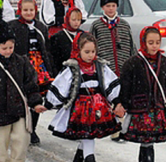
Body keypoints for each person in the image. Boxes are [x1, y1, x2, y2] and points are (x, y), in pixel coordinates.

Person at [0, 20, 47, 162]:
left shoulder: (21, 62)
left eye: (11, 47)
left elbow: (30, 84)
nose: (8, 51)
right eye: (4, 48)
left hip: (18, 109)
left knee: (22, 140)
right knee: (0, 146)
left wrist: (36, 103)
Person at [45, 32, 125, 162]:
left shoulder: (100, 66)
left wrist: (116, 101)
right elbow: (62, 85)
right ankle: (89, 159)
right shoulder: (73, 68)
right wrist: (49, 103)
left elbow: (110, 83)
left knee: (88, 136)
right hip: (80, 109)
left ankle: (81, 158)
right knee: (87, 136)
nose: (90, 55)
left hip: (98, 108)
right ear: (78, 50)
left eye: (93, 51)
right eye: (87, 51)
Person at [119, 26, 166, 162]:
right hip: (140, 109)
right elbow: (125, 84)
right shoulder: (133, 63)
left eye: (157, 42)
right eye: (151, 43)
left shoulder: (165, 63)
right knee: (146, 140)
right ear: (143, 42)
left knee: (149, 141)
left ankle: (146, 159)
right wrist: (123, 103)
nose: (154, 46)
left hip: (157, 108)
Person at [89, 0, 137, 142]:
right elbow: (91, 47)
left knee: (122, 97)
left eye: (113, 5)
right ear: (102, 7)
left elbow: (131, 46)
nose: (111, 9)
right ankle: (110, 125)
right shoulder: (97, 25)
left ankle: (119, 129)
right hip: (105, 69)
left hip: (123, 67)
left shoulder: (124, 25)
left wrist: (134, 63)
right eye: (107, 6)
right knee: (108, 97)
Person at [8, 0, 54, 145]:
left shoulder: (41, 27)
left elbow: (46, 48)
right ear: (20, 10)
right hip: (21, 65)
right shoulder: (13, 26)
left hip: (38, 67)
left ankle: (32, 129)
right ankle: (18, 128)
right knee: (21, 98)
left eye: (31, 10)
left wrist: (49, 68)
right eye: (25, 10)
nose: (28, 13)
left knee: (36, 97)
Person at [50, 7, 84, 73]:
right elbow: (55, 58)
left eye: (78, 20)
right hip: (64, 71)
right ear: (68, 20)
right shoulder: (58, 37)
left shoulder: (83, 35)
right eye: (74, 20)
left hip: (81, 71)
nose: (76, 22)